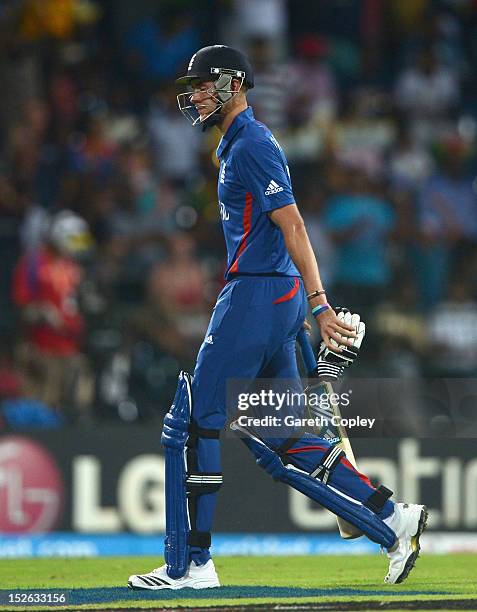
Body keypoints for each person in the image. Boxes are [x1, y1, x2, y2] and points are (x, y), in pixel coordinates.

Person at [128, 45, 427, 591]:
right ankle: (392, 518)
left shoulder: (252, 146)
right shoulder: (239, 145)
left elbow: (294, 226)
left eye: (203, 84)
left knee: (191, 419)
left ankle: (190, 565)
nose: (194, 95)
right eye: (191, 86)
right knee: (285, 437)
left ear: (234, 84)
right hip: (273, 293)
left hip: (258, 294)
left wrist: (319, 303)